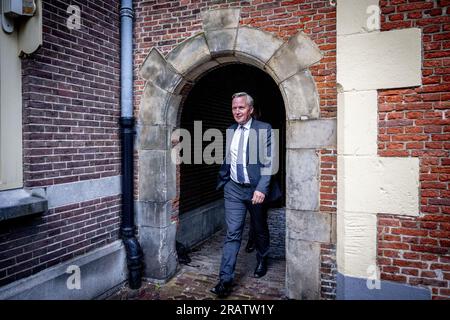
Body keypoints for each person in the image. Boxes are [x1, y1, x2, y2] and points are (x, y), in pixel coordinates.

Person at [211, 92, 281, 298]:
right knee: (233, 233)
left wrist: (262, 188)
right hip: (233, 188)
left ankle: (262, 259)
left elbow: (270, 161)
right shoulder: (230, 130)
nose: (237, 111)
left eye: (241, 107)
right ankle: (225, 280)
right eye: (234, 108)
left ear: (250, 109)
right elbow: (230, 158)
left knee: (259, 228)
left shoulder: (264, 129)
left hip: (255, 189)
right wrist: (224, 180)